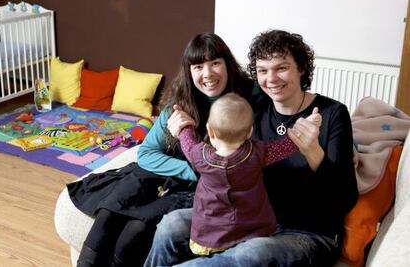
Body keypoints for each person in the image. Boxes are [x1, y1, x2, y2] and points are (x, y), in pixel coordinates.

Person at [144, 29, 359, 267]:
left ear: (301, 68)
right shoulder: (254, 109)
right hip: (251, 219)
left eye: (282, 68)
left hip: (310, 232)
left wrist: (315, 153)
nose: (272, 79)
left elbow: (345, 199)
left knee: (252, 253)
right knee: (172, 224)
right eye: (263, 71)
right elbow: (222, 168)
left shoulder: (332, 113)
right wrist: (184, 130)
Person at [67, 32, 254, 267]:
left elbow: (225, 169)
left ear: (228, 65)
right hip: (164, 177)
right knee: (109, 212)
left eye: (215, 63)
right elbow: (146, 153)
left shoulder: (242, 106)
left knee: (136, 229)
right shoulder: (179, 104)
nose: (208, 74)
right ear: (189, 72)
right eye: (198, 66)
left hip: (199, 190)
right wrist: (186, 168)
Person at [176, 92, 321, 257]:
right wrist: (309, 124)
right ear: (249, 132)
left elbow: (187, 143)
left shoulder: (199, 156)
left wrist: (185, 127)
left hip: (209, 236)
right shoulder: (258, 153)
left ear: (210, 131)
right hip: (252, 233)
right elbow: (288, 145)